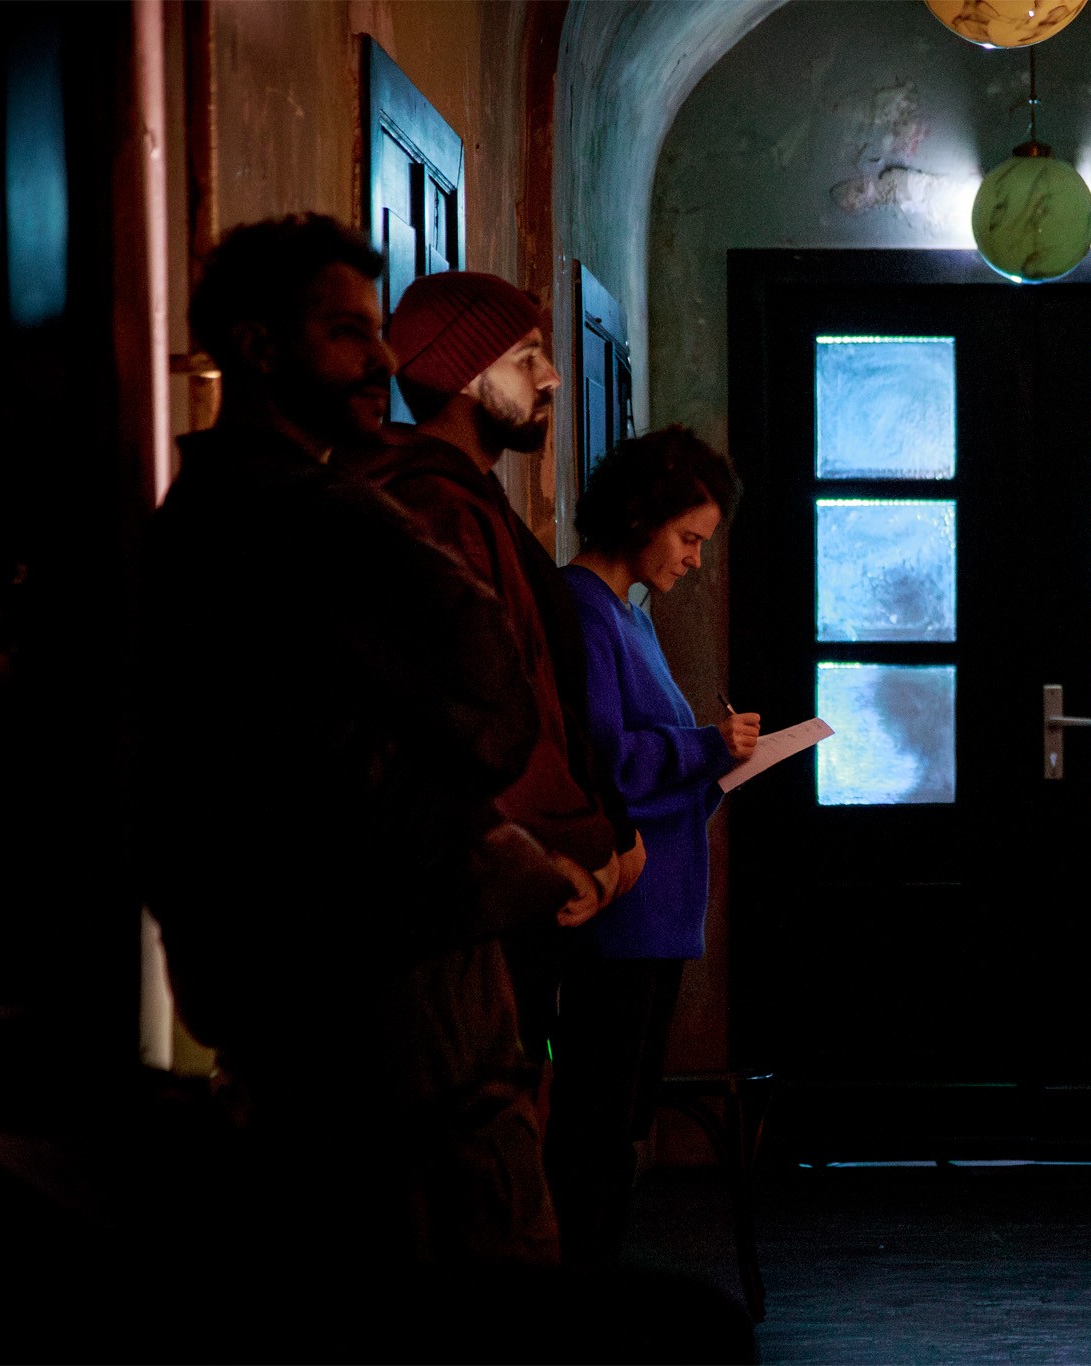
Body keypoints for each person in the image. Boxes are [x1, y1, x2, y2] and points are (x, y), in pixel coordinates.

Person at [139, 216, 575, 1266]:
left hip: (287, 996)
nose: (382, 360)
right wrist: (461, 834)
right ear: (258, 348)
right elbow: (496, 706)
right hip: (402, 1003)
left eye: (377, 330)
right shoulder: (318, 519)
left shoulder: (192, 521)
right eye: (345, 332)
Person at [340, 271, 642, 1066]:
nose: (553, 377)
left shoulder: (467, 498)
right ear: (467, 374)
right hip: (467, 889)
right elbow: (486, 710)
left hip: (491, 877)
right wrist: (578, 840)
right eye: (527, 356)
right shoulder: (436, 509)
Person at [546, 426, 758, 1265]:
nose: (695, 562)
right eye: (688, 539)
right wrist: (705, 748)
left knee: (619, 1127)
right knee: (597, 1130)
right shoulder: (583, 608)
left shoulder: (630, 615)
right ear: (640, 516)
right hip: (621, 922)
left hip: (654, 918)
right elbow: (601, 766)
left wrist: (718, 760)